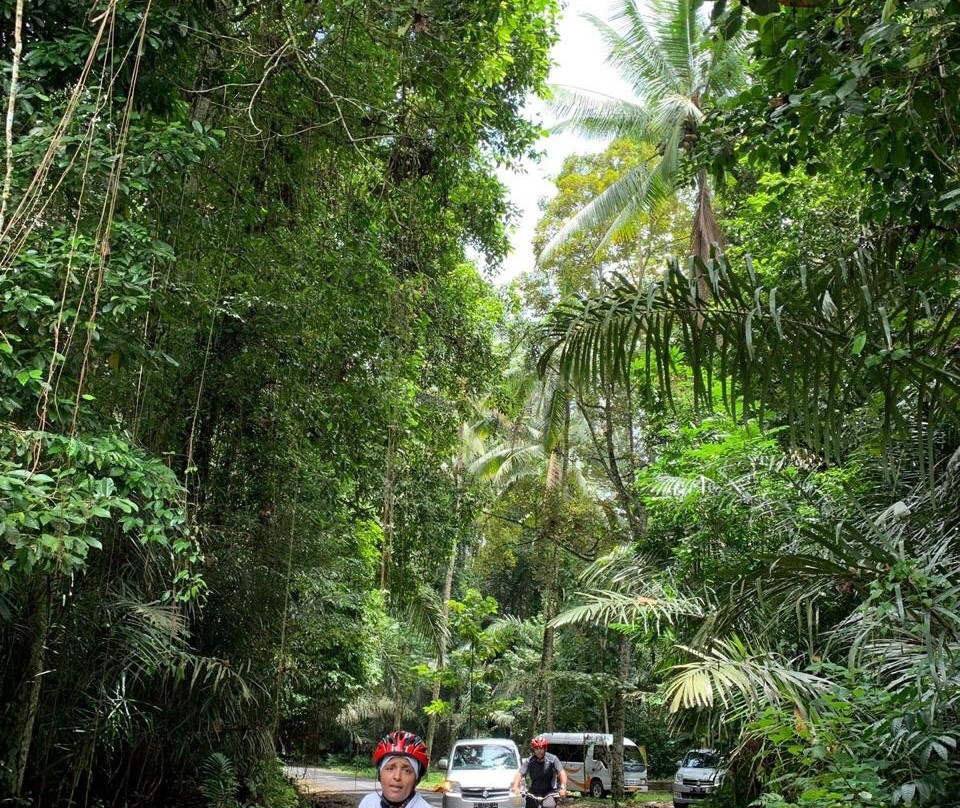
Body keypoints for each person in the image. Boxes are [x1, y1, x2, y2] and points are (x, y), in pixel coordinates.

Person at [358, 730, 431, 808]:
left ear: (417, 780)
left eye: (407, 771)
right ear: (380, 775)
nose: (397, 777)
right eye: (390, 768)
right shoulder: (368, 803)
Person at [512, 736, 567, 808]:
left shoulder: (553, 759)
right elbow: (520, 774)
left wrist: (563, 788)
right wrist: (515, 786)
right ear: (534, 750)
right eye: (536, 749)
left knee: (549, 806)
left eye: (541, 748)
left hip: (549, 792)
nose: (539, 751)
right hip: (533, 793)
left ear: (545, 748)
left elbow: (561, 773)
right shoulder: (530, 761)